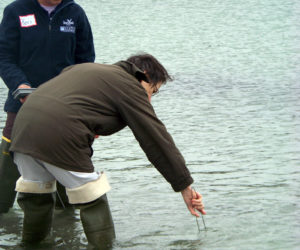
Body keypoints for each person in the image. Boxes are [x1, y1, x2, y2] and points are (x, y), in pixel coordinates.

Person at [10, 53, 206, 249]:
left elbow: (72, 103)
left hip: (22, 131)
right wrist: (184, 185)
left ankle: (30, 245)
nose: (149, 99)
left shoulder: (86, 70)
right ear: (143, 74)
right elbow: (156, 139)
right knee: (92, 195)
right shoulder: (129, 85)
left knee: (38, 193)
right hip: (60, 133)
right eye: (152, 91)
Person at [0, 0, 95, 213]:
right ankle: (3, 212)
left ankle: (66, 215)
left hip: (65, 105)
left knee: (68, 156)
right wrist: (20, 85)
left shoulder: (75, 13)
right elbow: (4, 57)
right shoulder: (15, 11)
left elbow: (86, 61)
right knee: (11, 154)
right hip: (22, 100)